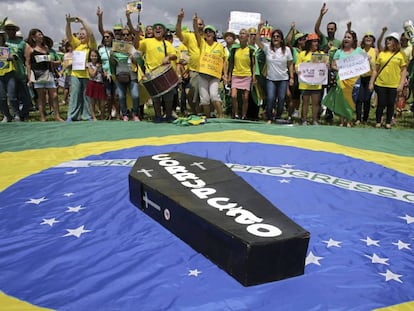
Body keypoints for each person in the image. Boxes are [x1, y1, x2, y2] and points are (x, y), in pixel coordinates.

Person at [136, 21, 178, 122]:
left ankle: (168, 115)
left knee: (168, 96)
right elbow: (136, 46)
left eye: (160, 28)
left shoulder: (167, 43)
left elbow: (175, 55)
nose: (157, 29)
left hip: (165, 73)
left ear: (163, 31)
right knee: (155, 97)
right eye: (155, 28)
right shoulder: (147, 41)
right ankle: (158, 116)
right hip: (151, 74)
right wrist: (137, 33)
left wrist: (168, 57)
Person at [322, 30, 364, 127]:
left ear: (353, 40)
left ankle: (349, 120)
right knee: (341, 100)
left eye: (349, 37)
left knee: (351, 100)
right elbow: (333, 65)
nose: (346, 39)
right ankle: (341, 120)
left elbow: (364, 63)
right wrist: (343, 68)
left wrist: (367, 60)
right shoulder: (339, 52)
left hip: (354, 81)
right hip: (341, 79)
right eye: (345, 37)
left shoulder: (358, 51)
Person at [256, 22, 293, 123]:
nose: (275, 38)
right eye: (274, 36)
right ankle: (269, 117)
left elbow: (290, 64)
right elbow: (257, 40)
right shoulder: (267, 48)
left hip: (283, 79)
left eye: (278, 36)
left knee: (281, 99)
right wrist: (259, 28)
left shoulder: (287, 50)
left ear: (281, 39)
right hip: (270, 79)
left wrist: (292, 77)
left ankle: (278, 117)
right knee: (271, 98)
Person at [369, 32, 407, 129]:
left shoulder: (401, 54)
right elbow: (375, 70)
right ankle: (378, 121)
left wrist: (401, 84)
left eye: (390, 39)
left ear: (396, 42)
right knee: (381, 103)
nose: (388, 41)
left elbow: (403, 71)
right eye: (387, 39)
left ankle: (388, 122)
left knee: (391, 103)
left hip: (394, 84)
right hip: (381, 83)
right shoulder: (382, 53)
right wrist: (371, 82)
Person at [25, 28, 63, 122]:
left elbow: (49, 61)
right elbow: (28, 63)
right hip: (37, 74)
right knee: (41, 96)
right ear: (33, 37)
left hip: (48, 73)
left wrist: (53, 66)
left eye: (41, 34)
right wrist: (29, 77)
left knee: (54, 95)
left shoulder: (45, 47)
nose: (41, 36)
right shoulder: (30, 48)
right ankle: (42, 116)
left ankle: (57, 116)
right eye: (39, 35)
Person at [65, 15, 97, 121]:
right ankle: (72, 116)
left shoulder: (91, 45)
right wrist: (68, 23)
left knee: (86, 96)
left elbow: (91, 34)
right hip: (75, 74)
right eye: (80, 34)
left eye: (83, 34)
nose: (81, 36)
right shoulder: (76, 45)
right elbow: (69, 35)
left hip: (87, 74)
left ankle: (86, 115)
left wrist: (82, 21)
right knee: (74, 95)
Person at [194, 21, 227, 118]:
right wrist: (194, 23)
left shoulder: (220, 46)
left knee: (214, 95)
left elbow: (224, 61)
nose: (208, 33)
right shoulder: (202, 43)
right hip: (202, 76)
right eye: (206, 32)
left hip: (214, 76)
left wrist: (225, 74)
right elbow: (196, 32)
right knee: (204, 99)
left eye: (210, 31)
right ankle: (208, 117)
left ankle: (221, 115)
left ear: (214, 34)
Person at [110, 25, 141, 121]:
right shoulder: (116, 47)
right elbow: (113, 63)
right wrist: (111, 57)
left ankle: (135, 114)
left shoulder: (134, 47)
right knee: (121, 96)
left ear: (131, 36)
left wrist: (133, 58)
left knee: (135, 95)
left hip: (132, 76)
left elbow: (140, 63)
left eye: (127, 34)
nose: (125, 36)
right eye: (123, 35)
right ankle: (125, 114)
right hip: (120, 75)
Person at [176, 8, 204, 115]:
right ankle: (195, 112)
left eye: (200, 24)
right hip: (194, 71)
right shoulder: (190, 36)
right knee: (190, 93)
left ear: (204, 25)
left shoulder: (208, 37)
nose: (198, 26)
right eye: (197, 24)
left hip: (207, 70)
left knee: (204, 95)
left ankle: (204, 113)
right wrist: (179, 19)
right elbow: (178, 34)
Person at [4, 19, 32, 120]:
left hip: (20, 72)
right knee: (11, 96)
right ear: (6, 31)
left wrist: (28, 75)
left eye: (12, 29)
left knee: (26, 97)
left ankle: (24, 113)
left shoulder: (22, 43)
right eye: (8, 29)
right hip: (7, 73)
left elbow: (27, 61)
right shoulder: (3, 42)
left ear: (16, 31)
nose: (11, 31)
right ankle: (12, 115)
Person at [296, 33, 325, 125]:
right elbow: (297, 65)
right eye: (314, 41)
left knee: (316, 103)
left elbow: (324, 67)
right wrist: (298, 71)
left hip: (316, 83)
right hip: (305, 83)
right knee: (305, 102)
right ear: (309, 43)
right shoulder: (302, 54)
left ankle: (314, 120)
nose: (316, 43)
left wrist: (326, 66)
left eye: (317, 41)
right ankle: (304, 119)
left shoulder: (321, 54)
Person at [228, 28, 256, 120]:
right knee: (234, 96)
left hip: (247, 75)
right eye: (240, 33)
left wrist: (254, 76)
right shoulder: (234, 49)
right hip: (236, 74)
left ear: (247, 37)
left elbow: (253, 64)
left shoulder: (250, 50)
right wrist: (229, 75)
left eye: (244, 33)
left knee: (245, 98)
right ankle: (235, 114)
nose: (242, 35)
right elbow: (231, 62)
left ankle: (243, 115)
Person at [355, 32, 378, 125]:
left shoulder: (375, 51)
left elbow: (377, 65)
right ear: (363, 40)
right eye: (366, 37)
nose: (368, 38)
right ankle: (358, 118)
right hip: (360, 77)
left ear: (373, 40)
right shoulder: (359, 50)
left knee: (367, 99)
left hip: (370, 77)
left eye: (370, 37)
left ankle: (365, 118)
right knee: (359, 98)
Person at [0, 29, 18, 122]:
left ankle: (16, 115)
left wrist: (11, 57)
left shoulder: (8, 48)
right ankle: (7, 115)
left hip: (9, 74)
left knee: (12, 96)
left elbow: (15, 56)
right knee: (1, 97)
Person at [86, 49, 106, 120]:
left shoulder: (101, 64)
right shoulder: (88, 65)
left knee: (102, 102)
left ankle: (102, 116)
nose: (94, 57)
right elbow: (92, 75)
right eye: (92, 56)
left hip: (100, 84)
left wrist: (106, 74)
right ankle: (93, 116)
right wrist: (97, 68)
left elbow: (104, 73)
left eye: (95, 56)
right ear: (90, 57)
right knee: (92, 101)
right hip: (92, 83)